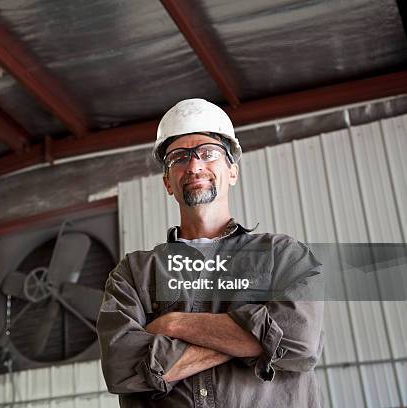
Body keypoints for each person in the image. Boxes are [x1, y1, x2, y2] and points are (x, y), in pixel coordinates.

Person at [97, 99, 324, 407]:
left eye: (208, 153)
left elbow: (299, 341)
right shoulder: (133, 274)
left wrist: (173, 324)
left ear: (232, 171)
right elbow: (121, 368)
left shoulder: (283, 256)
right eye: (179, 157)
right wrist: (259, 341)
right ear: (167, 182)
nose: (194, 166)